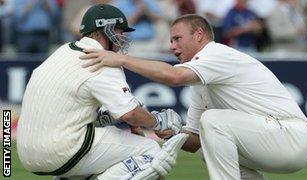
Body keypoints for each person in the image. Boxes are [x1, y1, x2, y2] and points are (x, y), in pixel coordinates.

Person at [80, 14, 307, 179]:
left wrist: (120, 59)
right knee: (208, 145)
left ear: (200, 35)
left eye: (177, 39)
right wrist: (168, 129)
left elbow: (173, 77)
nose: (172, 46)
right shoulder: (199, 80)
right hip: (273, 142)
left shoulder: (216, 53)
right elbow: (193, 143)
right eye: (171, 40)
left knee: (213, 122)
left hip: (291, 138)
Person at [17, 4, 188, 180]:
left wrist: (106, 117)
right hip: (63, 150)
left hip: (26, 153)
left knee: (116, 158)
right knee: (151, 152)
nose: (123, 37)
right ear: (106, 30)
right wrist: (158, 122)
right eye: (120, 31)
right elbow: (130, 114)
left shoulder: (62, 51)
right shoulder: (102, 60)